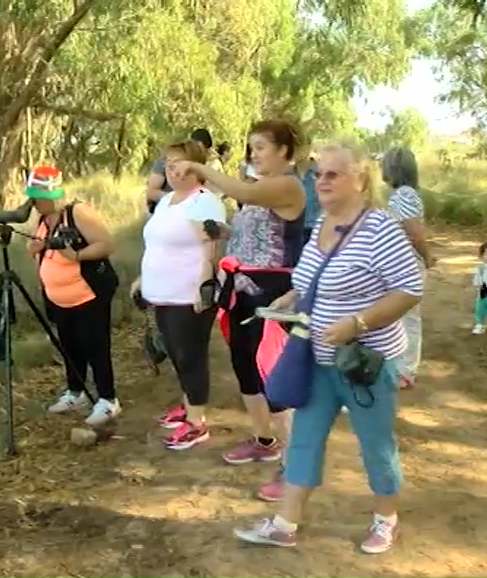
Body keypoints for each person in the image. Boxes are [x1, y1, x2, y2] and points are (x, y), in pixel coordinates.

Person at [233, 141, 423, 553]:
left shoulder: (380, 228)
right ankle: (284, 523)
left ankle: (385, 519)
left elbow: (410, 288)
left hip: (363, 363)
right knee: (304, 438)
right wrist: (288, 300)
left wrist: (358, 322)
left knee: (375, 444)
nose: (322, 181)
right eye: (319, 174)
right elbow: (308, 280)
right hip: (317, 359)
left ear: (360, 179)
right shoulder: (320, 223)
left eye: (333, 174)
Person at [167, 119, 306, 502]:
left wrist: (198, 167)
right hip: (242, 288)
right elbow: (254, 232)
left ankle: (295, 467)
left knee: (273, 377)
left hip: (272, 293)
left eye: (261, 147)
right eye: (251, 147)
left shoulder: (287, 185)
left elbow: (240, 190)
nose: (254, 154)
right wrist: (226, 234)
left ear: (284, 151)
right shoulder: (262, 190)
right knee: (246, 370)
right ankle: (265, 440)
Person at [133, 141, 228, 450]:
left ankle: (197, 423)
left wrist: (205, 282)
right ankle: (189, 404)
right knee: (175, 352)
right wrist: (142, 278)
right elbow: (156, 244)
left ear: (195, 166)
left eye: (178, 163)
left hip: (188, 294)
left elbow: (210, 245)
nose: (170, 169)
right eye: (167, 163)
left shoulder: (205, 201)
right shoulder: (167, 201)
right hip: (162, 292)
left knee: (191, 356)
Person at [26, 166, 122, 426]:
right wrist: (34, 248)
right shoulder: (42, 221)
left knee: (95, 345)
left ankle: (107, 399)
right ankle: (75, 391)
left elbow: (106, 244)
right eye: (32, 196)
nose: (34, 202)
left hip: (88, 294)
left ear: (53, 194)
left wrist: (77, 255)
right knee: (69, 346)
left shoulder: (76, 213)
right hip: (58, 297)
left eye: (38, 196)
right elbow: (40, 250)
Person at [381, 146, 436, 389]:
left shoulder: (403, 195)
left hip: (406, 264)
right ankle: (399, 368)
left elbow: (414, 232)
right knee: (401, 317)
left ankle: (405, 370)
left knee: (408, 318)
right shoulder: (403, 194)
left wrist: (426, 257)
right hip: (400, 263)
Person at [145, 128, 215, 215]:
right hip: (161, 212)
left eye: (203, 150)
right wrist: (177, 199)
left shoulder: (200, 164)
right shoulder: (165, 160)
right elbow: (151, 192)